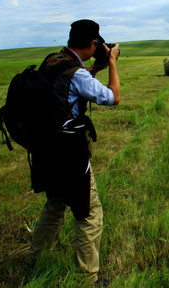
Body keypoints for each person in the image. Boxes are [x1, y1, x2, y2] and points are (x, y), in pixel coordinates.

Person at [28, 19, 120, 287]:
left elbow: (68, 86)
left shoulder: (53, 61)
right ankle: (88, 278)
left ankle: (37, 261)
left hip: (45, 151)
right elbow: (113, 97)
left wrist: (96, 69)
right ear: (93, 44)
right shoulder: (76, 74)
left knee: (55, 206)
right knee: (89, 213)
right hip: (69, 154)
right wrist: (111, 64)